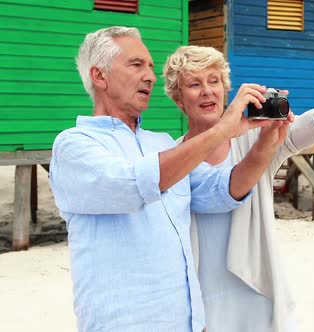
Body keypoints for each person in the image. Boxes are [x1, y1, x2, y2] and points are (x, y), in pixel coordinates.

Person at [50, 27, 291, 332]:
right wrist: (223, 128)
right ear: (99, 76)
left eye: (151, 67)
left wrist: (264, 145)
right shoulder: (75, 146)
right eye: (137, 65)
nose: (150, 76)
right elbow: (135, 184)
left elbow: (220, 192)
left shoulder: (161, 143)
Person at [162, 45, 314, 332]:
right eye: (194, 84)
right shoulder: (172, 158)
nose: (207, 91)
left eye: (214, 81)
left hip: (257, 288)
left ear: (225, 89)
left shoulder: (256, 141)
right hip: (202, 296)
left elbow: (310, 126)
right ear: (178, 98)